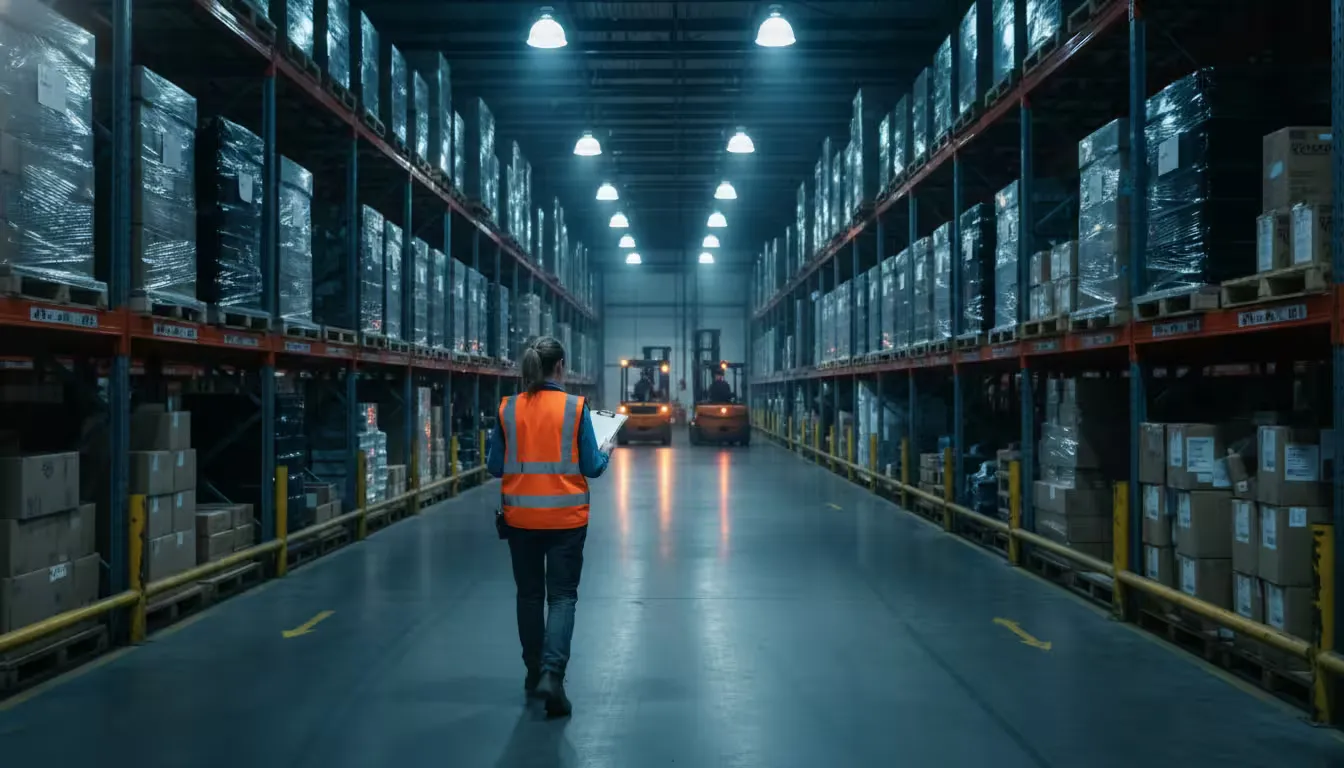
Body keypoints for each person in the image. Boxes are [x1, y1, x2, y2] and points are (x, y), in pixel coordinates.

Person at [487, 336, 611, 718]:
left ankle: (533, 673)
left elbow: (495, 466)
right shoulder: (575, 408)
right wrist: (605, 452)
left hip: (520, 520)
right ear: (560, 367)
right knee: (561, 597)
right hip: (565, 520)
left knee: (529, 596)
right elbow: (591, 467)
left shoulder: (508, 408)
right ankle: (552, 676)